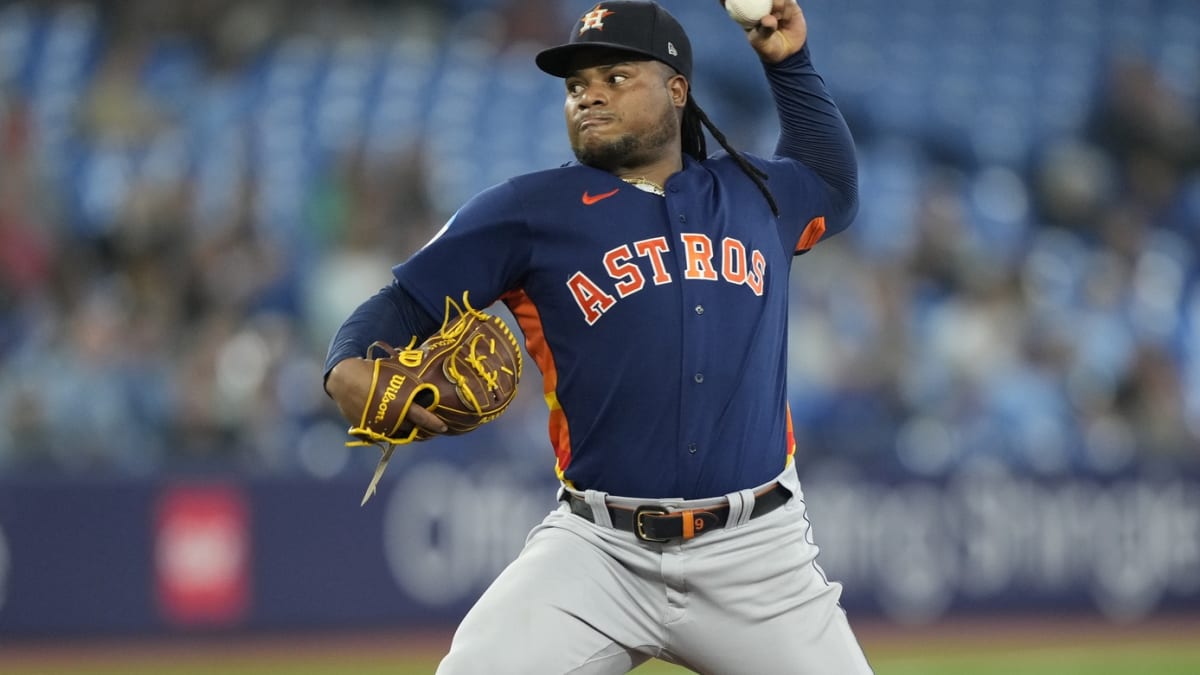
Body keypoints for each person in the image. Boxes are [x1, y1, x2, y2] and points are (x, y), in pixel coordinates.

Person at [323, 1, 872, 672]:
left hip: (756, 552)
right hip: (599, 551)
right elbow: (404, 301)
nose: (589, 94)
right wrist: (343, 364)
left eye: (615, 76)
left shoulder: (752, 192)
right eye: (577, 84)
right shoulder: (529, 209)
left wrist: (788, 62)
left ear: (677, 88)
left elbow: (833, 187)